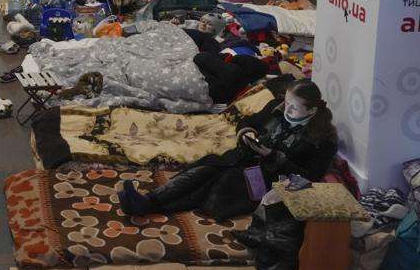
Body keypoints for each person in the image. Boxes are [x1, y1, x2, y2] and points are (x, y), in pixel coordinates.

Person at [119, 79, 337, 223]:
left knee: (215, 185)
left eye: (294, 107)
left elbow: (309, 177)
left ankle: (147, 205)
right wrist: (247, 133)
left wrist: (273, 156)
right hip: (243, 159)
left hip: (266, 180)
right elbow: (247, 121)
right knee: (206, 167)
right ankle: (147, 200)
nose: (286, 109)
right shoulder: (276, 108)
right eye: (287, 102)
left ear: (312, 110)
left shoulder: (322, 138)